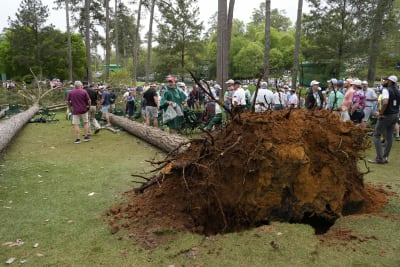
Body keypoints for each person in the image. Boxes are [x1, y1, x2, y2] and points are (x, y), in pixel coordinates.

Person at [369, 75, 400, 164]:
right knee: (390, 137)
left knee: (376, 135)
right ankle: (385, 157)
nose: (383, 81)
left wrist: (381, 113)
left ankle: (379, 158)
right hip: (395, 115)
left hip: (386, 116)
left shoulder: (386, 90)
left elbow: (385, 102)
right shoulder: (397, 91)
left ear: (389, 81)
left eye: (385, 80)